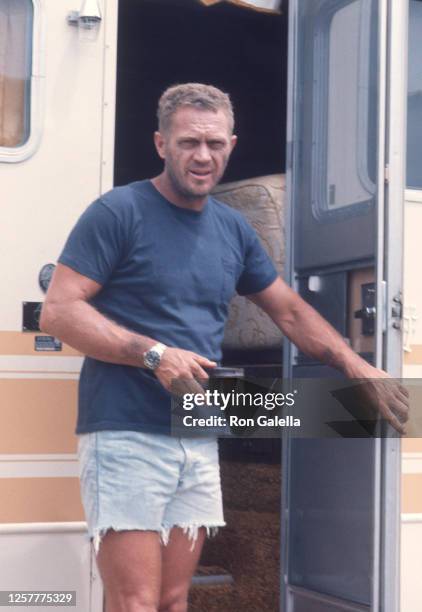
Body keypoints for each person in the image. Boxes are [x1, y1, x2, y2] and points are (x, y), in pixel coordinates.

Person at [40, 83, 408, 612]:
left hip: (196, 430)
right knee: (135, 602)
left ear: (232, 144)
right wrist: (154, 354)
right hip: (124, 433)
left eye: (215, 144)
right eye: (189, 142)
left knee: (172, 599)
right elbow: (60, 311)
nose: (203, 156)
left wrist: (356, 365)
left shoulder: (233, 230)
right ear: (161, 143)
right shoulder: (118, 212)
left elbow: (289, 310)